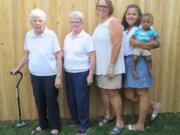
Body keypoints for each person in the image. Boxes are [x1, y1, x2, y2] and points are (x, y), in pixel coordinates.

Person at [11, 8, 62, 135]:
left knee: (51, 101)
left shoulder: (51, 35)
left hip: (50, 75)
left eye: (40, 20)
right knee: (39, 101)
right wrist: (17, 68)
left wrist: (58, 77)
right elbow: (27, 55)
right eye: (35, 20)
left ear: (44, 22)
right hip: (35, 75)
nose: (37, 23)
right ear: (31, 22)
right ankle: (43, 125)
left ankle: (55, 126)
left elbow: (58, 56)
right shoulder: (29, 35)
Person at [121, 4, 161, 131]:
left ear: (139, 16)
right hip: (127, 62)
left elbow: (156, 43)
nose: (131, 16)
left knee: (142, 93)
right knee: (129, 94)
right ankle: (154, 105)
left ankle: (140, 125)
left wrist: (136, 43)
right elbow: (130, 44)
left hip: (141, 62)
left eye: (134, 14)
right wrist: (139, 43)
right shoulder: (125, 29)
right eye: (128, 14)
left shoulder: (144, 26)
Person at [92, 0, 125, 134]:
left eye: (104, 6)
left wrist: (111, 66)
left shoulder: (114, 22)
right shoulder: (99, 24)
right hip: (100, 67)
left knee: (112, 93)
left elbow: (117, 45)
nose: (101, 8)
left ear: (110, 8)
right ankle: (108, 115)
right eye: (99, 6)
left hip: (111, 66)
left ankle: (120, 121)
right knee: (103, 91)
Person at [63, 11, 95, 135]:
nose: (74, 24)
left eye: (77, 22)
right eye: (72, 22)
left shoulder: (86, 38)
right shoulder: (67, 37)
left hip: (81, 73)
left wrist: (90, 74)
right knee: (71, 98)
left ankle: (84, 124)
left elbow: (92, 56)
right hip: (69, 72)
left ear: (82, 23)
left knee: (82, 99)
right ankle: (75, 119)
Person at [131, 13, 159, 78]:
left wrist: (156, 41)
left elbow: (157, 36)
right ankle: (133, 70)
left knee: (149, 58)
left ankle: (150, 69)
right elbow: (133, 37)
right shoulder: (138, 30)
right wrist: (134, 39)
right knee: (135, 58)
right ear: (141, 23)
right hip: (137, 47)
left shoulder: (151, 31)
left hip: (146, 48)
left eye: (148, 22)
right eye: (143, 22)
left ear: (151, 23)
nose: (145, 23)